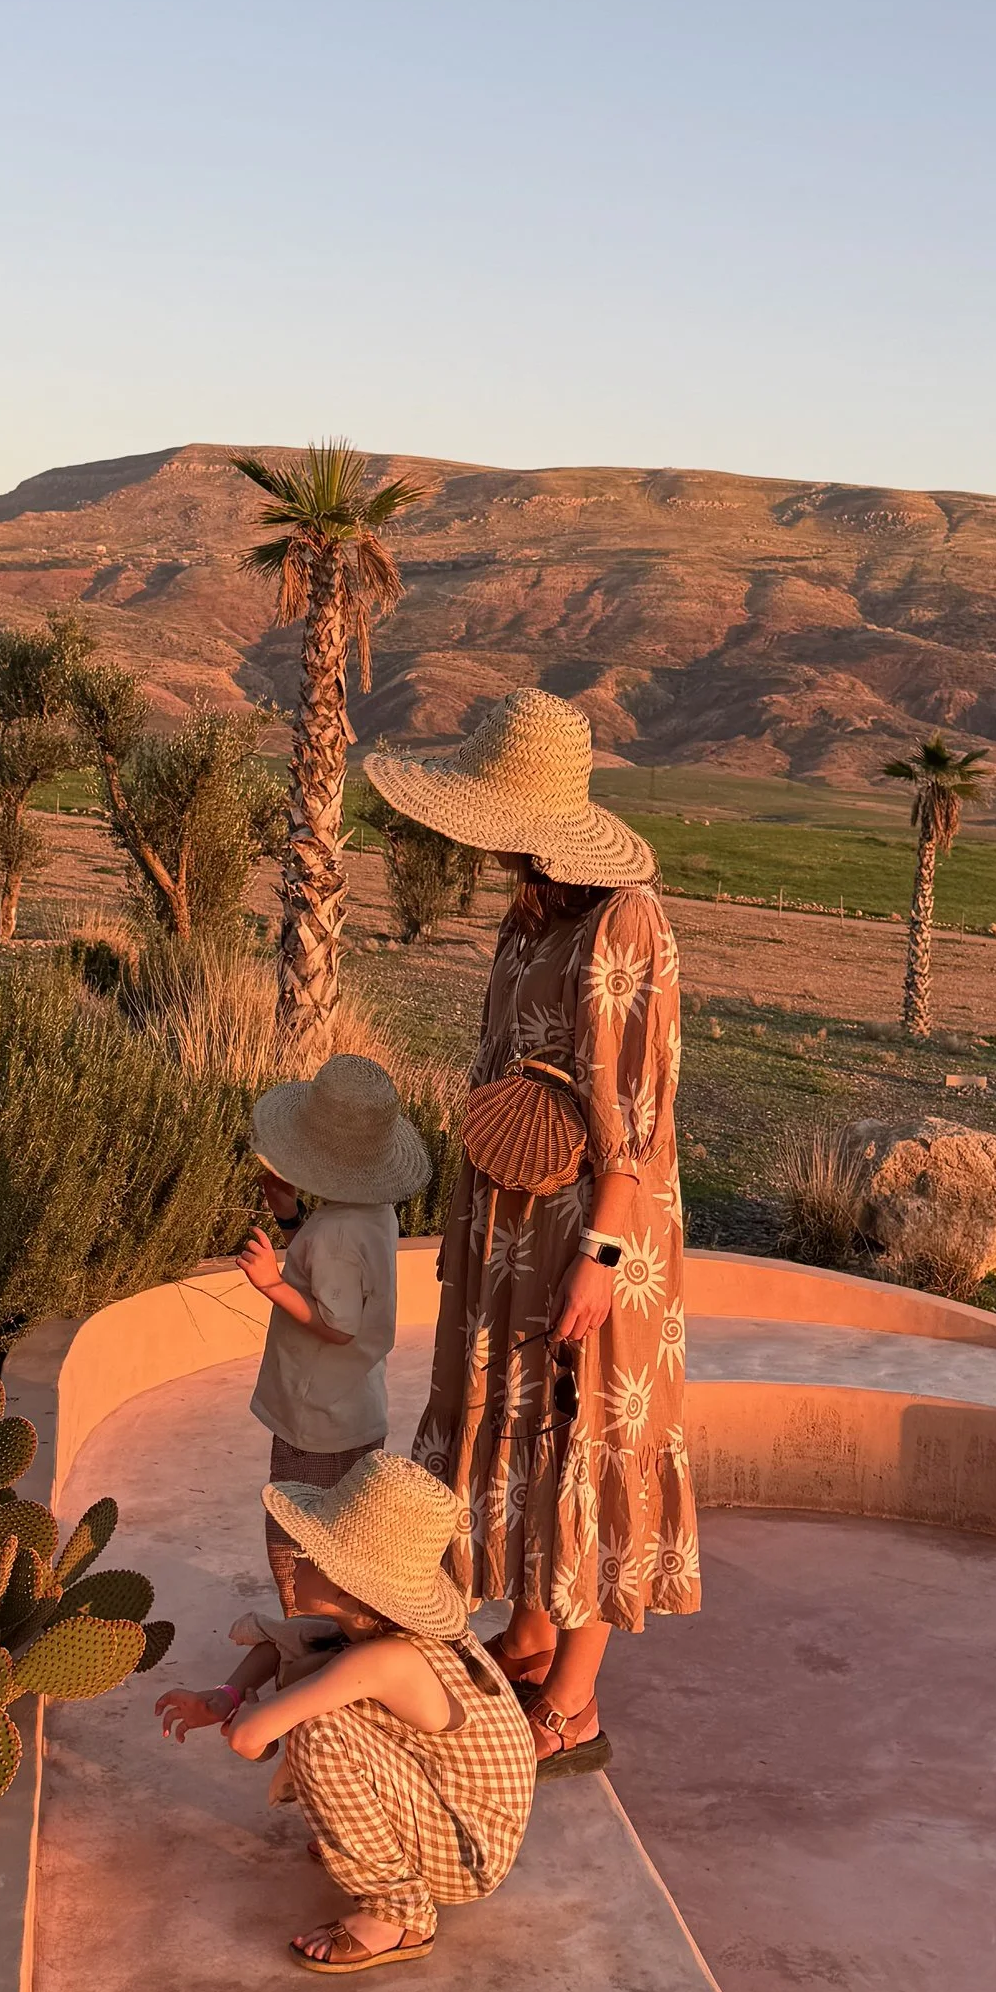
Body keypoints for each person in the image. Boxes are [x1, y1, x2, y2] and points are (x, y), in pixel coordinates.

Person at [363, 689, 699, 1777]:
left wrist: (601, 1255)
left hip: (590, 1231)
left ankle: (574, 1705)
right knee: (515, 1421)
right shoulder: (535, 909)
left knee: (586, 1433)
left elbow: (636, 1114)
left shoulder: (624, 922)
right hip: (509, 1227)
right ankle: (528, 1632)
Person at [156, 1451, 536, 1976]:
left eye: (311, 1552)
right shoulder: (372, 1628)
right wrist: (227, 1693)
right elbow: (282, 1644)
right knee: (315, 1680)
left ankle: (399, 1912)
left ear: (348, 1587)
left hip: (468, 1848)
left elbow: (250, 1738)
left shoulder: (385, 1659)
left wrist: (254, 1724)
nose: (296, 1557)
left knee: (319, 1730)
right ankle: (374, 1842)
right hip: (449, 1805)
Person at [233, 1050, 430, 1641]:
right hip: (353, 1405)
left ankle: (305, 1645)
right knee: (349, 1539)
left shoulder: (341, 1231)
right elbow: (343, 1287)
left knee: (297, 1540)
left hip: (314, 1416)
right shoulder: (372, 1213)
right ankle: (341, 1643)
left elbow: (337, 1322)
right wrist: (294, 1222)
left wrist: (270, 1282)